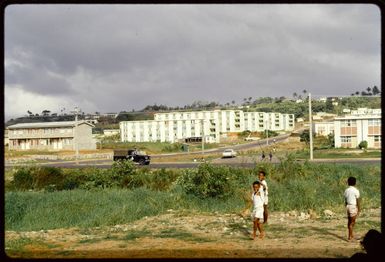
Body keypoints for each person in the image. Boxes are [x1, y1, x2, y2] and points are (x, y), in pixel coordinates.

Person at [344, 176, 360, 241]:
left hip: (348, 206)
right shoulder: (356, 190)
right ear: (355, 183)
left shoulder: (346, 190)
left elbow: (345, 199)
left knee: (349, 221)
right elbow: (358, 200)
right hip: (353, 206)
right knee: (352, 222)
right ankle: (350, 237)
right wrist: (359, 208)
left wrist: (346, 205)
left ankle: (351, 235)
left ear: (348, 183)